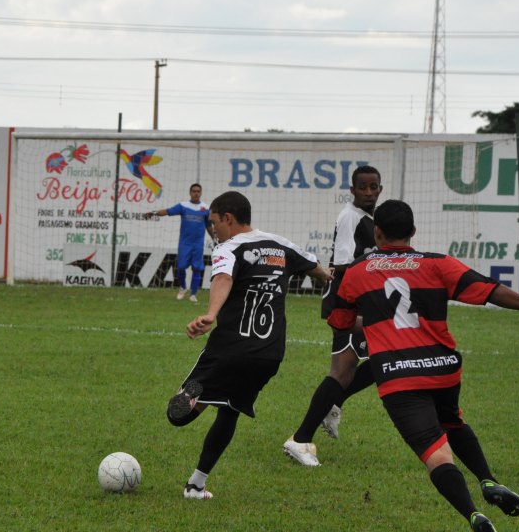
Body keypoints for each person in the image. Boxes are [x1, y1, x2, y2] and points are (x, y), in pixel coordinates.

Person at [327, 199, 519, 532]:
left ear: (377, 232)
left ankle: (474, 515)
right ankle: (488, 479)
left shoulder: (356, 271)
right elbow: (489, 290)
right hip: (444, 368)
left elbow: (338, 321)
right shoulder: (437, 263)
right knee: (452, 422)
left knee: (436, 453)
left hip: (399, 377)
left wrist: (373, 319)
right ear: (414, 232)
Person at [165, 191, 332, 499]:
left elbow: (223, 278)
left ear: (228, 218)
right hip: (268, 356)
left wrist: (211, 314)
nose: (213, 230)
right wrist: (327, 278)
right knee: (229, 411)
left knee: (176, 414)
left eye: (214, 223)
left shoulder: (229, 247)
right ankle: (196, 485)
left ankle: (203, 395)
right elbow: (319, 270)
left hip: (229, 350)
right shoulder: (282, 244)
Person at [284, 165, 382, 466]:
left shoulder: (369, 218)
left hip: (360, 302)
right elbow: (342, 266)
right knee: (344, 371)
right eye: (362, 187)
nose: (368, 192)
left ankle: (333, 404)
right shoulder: (350, 217)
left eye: (373, 187)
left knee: (380, 360)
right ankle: (300, 439)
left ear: (380, 188)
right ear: (352, 190)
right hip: (347, 302)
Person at [144, 183, 214, 303]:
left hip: (198, 244)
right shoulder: (183, 206)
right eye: (194, 191)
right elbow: (167, 211)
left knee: (197, 268)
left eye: (198, 191)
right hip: (185, 243)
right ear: (190, 193)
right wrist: (154, 213)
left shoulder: (206, 208)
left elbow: (208, 226)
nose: (196, 193)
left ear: (201, 193)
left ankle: (193, 294)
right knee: (181, 267)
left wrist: (215, 238)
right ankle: (182, 287)